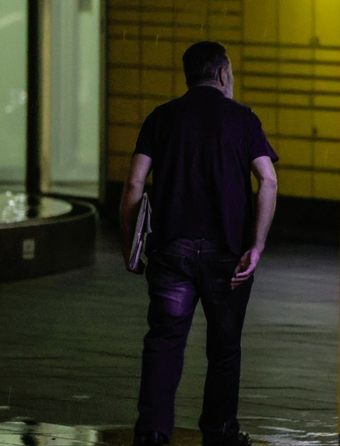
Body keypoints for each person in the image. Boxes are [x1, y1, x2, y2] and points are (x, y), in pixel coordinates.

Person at [120, 41, 278, 446]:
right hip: (228, 257)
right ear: (224, 75)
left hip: (171, 253)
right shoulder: (243, 120)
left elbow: (135, 183)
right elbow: (268, 180)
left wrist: (131, 246)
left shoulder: (162, 118)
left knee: (164, 343)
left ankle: (152, 432)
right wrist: (256, 245)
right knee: (224, 347)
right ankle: (219, 431)